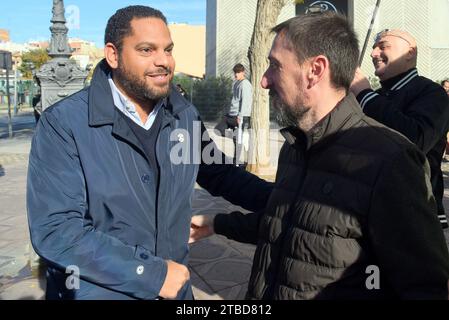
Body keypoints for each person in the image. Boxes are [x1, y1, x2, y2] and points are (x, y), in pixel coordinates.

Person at [190, 13, 449, 299]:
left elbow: (425, 286)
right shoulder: (294, 146)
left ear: (316, 70)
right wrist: (218, 224)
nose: (263, 81)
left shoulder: (391, 160)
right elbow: (288, 222)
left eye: (275, 66)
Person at [27, 5, 272, 300]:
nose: (163, 61)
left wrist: (288, 198)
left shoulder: (182, 115)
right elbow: (56, 230)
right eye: (147, 50)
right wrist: (150, 274)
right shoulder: (64, 124)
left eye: (168, 50)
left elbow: (221, 174)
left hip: (174, 291)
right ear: (113, 55)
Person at [350, 29, 449, 229]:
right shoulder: (372, 97)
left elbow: (416, 139)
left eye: (383, 46)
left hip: (415, 214)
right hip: (367, 207)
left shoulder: (432, 93)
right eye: (373, 48)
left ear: (410, 52)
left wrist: (364, 94)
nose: (373, 53)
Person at [215, 64, 253, 166]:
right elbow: (234, 100)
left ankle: (236, 163)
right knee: (218, 129)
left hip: (239, 116)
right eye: (235, 72)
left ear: (243, 72)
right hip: (230, 115)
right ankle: (239, 138)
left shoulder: (245, 84)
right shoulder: (236, 83)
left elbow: (245, 101)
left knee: (237, 142)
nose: (236, 74)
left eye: (238, 72)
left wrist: (240, 116)